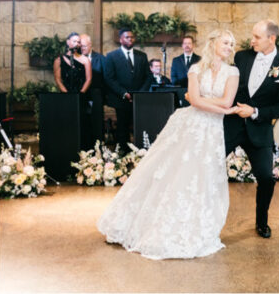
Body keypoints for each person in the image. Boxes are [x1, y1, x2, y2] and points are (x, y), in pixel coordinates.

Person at [97, 29, 241, 259]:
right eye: (226, 42)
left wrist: (208, 103)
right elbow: (195, 100)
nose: (230, 47)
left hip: (212, 131)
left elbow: (225, 101)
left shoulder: (232, 71)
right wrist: (218, 106)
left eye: (232, 44)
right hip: (188, 126)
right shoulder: (196, 68)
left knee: (202, 179)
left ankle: (195, 227)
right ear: (213, 43)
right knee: (174, 175)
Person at [225, 20, 279, 239]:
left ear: (271, 39)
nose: (251, 40)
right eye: (252, 36)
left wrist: (255, 112)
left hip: (259, 130)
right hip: (232, 125)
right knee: (209, 165)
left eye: (256, 37)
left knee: (266, 177)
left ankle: (261, 221)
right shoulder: (241, 57)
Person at [103, 29, 150, 151]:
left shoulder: (142, 56)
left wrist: (139, 93)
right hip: (121, 98)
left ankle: (140, 152)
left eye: (132, 37)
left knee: (140, 126)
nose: (130, 39)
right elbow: (109, 78)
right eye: (127, 37)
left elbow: (148, 77)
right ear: (121, 39)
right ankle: (123, 153)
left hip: (139, 99)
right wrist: (124, 93)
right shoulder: (111, 56)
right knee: (122, 127)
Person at [80, 34, 106, 147]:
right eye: (80, 46)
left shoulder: (101, 59)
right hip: (81, 98)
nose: (82, 48)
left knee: (97, 125)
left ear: (90, 45)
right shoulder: (75, 59)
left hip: (96, 97)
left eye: (84, 46)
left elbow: (106, 79)